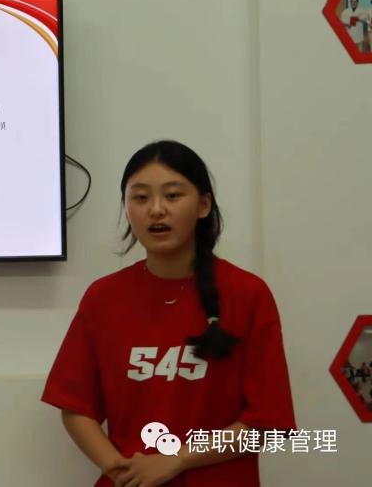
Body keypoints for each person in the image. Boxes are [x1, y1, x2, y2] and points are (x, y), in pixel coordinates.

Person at [41, 140, 296, 487]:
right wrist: (121, 470)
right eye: (140, 198)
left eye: (173, 196)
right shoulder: (103, 297)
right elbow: (75, 407)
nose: (156, 210)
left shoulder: (248, 294)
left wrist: (177, 460)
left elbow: (268, 424)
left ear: (203, 205)